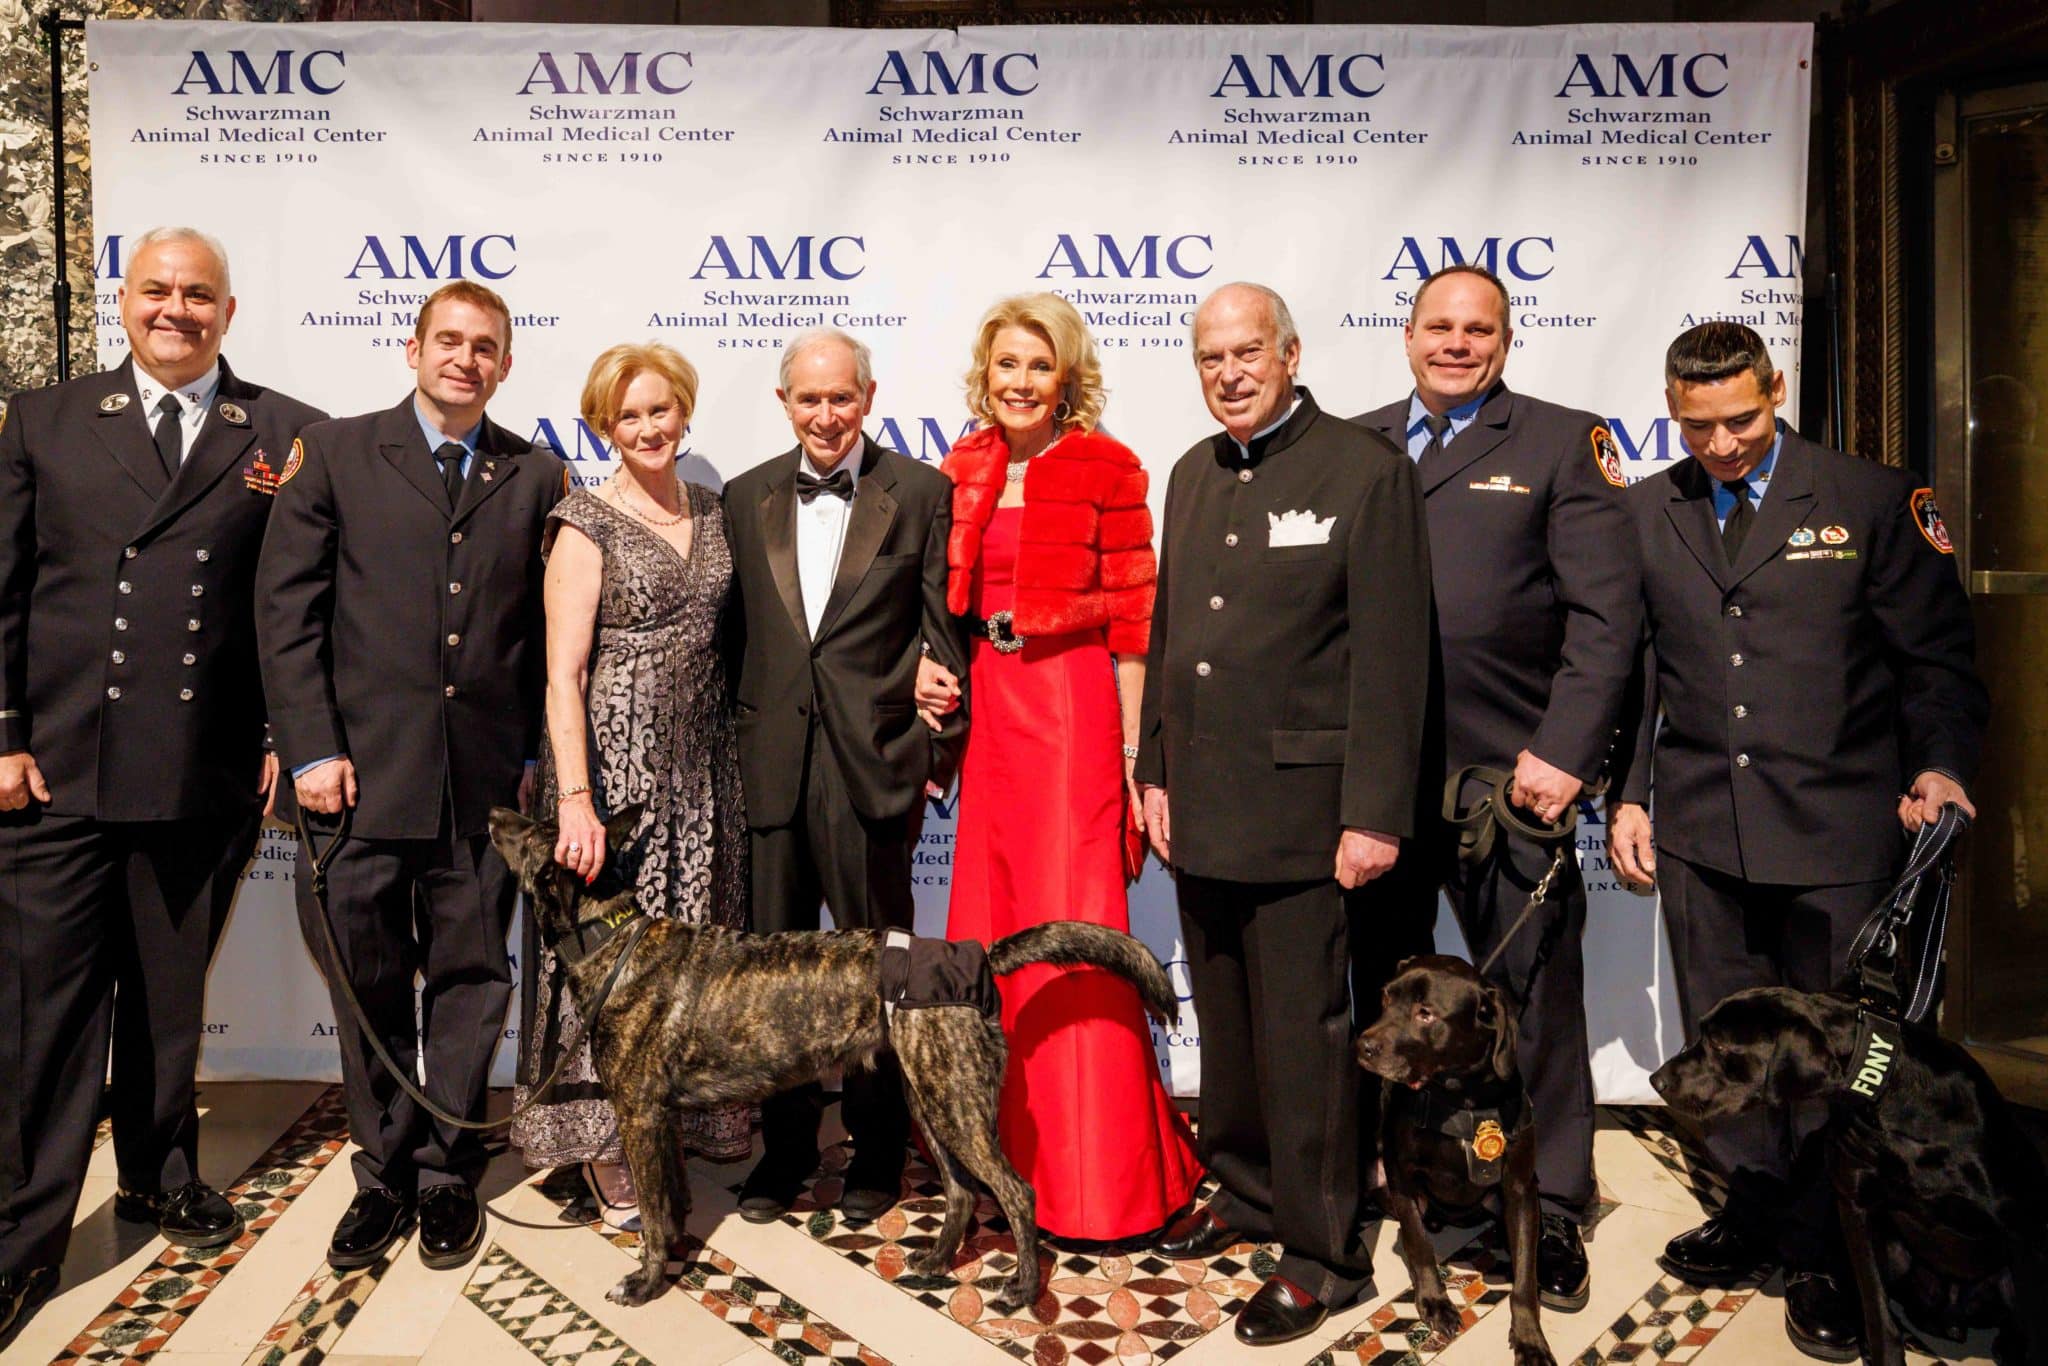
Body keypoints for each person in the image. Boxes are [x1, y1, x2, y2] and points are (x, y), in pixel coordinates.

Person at [1607, 321, 1986, 1362]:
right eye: (1696, 427)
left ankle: (1830, 1244)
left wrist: (1940, 765)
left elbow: (1936, 661)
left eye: (1739, 420)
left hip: (1839, 833)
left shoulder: (1871, 497)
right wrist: (1630, 791)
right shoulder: (1645, 509)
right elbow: (1635, 673)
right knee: (1728, 1049)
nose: (1720, 445)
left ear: (1775, 390)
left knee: (1837, 1062)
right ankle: (1756, 1207)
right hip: (1698, 833)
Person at [0, 227, 325, 1345]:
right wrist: (2, 736)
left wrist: (292, 727)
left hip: (204, 768)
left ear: (228, 313)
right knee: (45, 1016)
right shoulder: (46, 420)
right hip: (59, 769)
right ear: (123, 301)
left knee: (169, 994)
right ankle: (20, 1233)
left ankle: (154, 1171)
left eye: (199, 295)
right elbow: (2, 591)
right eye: (157, 291)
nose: (176, 310)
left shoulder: (283, 432)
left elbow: (298, 608)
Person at [1135, 283, 1432, 1346]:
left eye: (1245, 351)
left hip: (1310, 815)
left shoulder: (1363, 469)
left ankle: (1321, 1253)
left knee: (1305, 1042)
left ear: (1290, 352)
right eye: (1208, 356)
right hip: (1204, 805)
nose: (1227, 371)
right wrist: (1154, 767)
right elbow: (1176, 629)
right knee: (1225, 1024)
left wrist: (1373, 813)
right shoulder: (1189, 471)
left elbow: (1394, 662)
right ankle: (1247, 1190)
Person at [257, 281, 566, 1273]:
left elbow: (537, 636)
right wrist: (308, 748)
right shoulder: (338, 452)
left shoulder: (535, 471)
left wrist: (529, 758)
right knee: (370, 982)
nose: (464, 359)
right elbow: (286, 614)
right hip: (354, 783)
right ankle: (382, 1171)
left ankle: (446, 1171)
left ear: (505, 364)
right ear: (412, 347)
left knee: (473, 982)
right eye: (448, 340)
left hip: (480, 792)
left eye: (484, 347)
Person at [1350, 263, 1641, 1310]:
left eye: (1477, 328)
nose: (1455, 343)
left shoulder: (1563, 441)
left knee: (1528, 1003)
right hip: (1380, 781)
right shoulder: (1356, 441)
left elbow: (1606, 617)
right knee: (1387, 998)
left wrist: (1565, 750)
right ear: (1407, 333)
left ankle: (1553, 1204)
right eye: (1438, 326)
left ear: (1505, 340)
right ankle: (1408, 1176)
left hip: (1509, 782)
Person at [913, 293, 1200, 1241]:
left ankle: (1095, 1182)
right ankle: (999, 1164)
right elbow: (931, 611)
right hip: (988, 711)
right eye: (1007, 366)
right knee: (990, 934)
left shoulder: (1109, 469)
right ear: (983, 375)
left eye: (1040, 367)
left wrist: (1127, 754)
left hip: (1074, 711)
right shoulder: (963, 467)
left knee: (1074, 931)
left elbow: (1134, 629)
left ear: (1067, 378)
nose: (1021, 383)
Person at [721, 328, 969, 1224]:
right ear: (785, 403)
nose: (826, 416)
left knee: (878, 973)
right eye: (808, 399)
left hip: (872, 772)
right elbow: (732, 642)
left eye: (842, 398)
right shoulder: (743, 497)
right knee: (775, 979)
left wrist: (934, 753)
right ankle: (782, 1152)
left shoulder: (921, 492)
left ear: (869, 397)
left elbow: (946, 637)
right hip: (772, 772)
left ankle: (877, 1152)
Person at [512, 342, 750, 1230]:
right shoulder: (584, 520)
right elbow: (561, 675)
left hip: (706, 768)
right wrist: (576, 798)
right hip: (616, 777)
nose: (649, 429)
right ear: (605, 427)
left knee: (691, 963)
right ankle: (609, 1148)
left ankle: (677, 1122)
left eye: (662, 410)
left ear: (684, 411)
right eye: (629, 416)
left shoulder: (719, 511)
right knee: (616, 976)